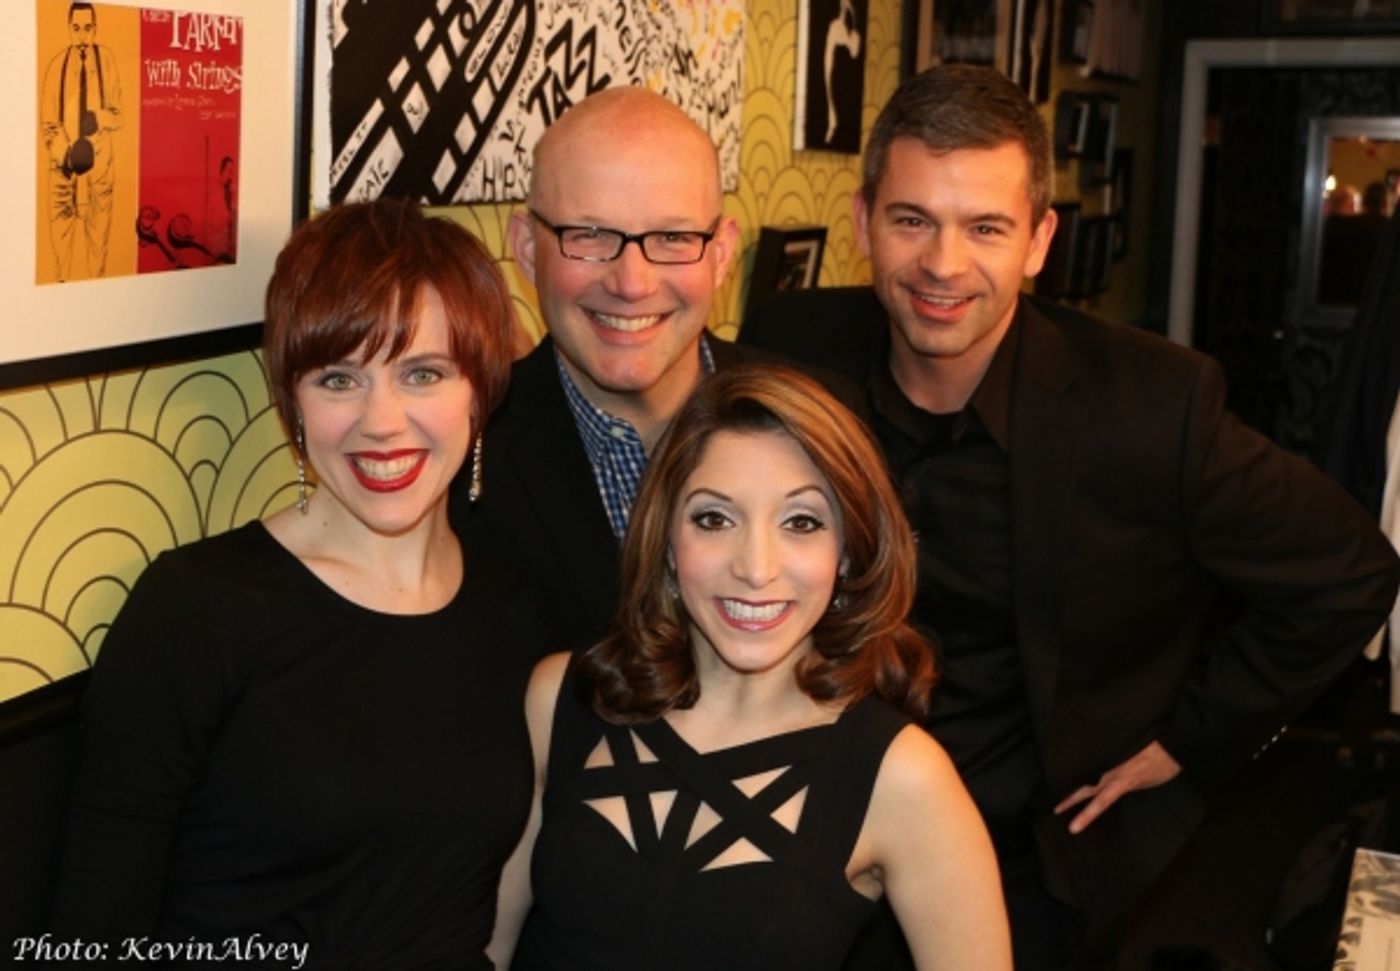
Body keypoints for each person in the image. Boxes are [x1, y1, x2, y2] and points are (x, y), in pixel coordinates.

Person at [740, 64, 1400, 967]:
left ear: (1039, 240)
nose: (943, 264)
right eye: (911, 220)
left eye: (985, 227)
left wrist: (1188, 739)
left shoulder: (1151, 406)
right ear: (862, 223)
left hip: (1031, 857)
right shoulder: (790, 347)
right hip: (811, 827)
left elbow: (1350, 571)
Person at [51, 199, 550, 967]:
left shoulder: (516, 609)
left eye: (422, 373)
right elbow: (91, 933)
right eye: (338, 378)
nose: (382, 421)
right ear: (293, 401)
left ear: (480, 391)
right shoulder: (197, 609)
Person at [490, 365, 1012, 970]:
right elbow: (480, 952)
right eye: (714, 519)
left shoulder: (903, 777)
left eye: (801, 523)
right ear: (667, 539)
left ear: (848, 551)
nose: (756, 568)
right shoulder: (563, 698)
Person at [450, 86, 747, 652]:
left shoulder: (822, 425)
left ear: (721, 253)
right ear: (527, 249)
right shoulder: (459, 462)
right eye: (589, 236)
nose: (631, 283)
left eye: (673, 237)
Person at [40, 1, 123, 281]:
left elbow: (119, 116)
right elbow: (48, 125)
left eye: (88, 28)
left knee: (98, 251)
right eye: (76, 28)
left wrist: (100, 118)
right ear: (68, 29)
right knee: (60, 251)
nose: (82, 35)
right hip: (62, 173)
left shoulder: (107, 60)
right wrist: (66, 155)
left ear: (95, 29)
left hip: (100, 170)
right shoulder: (56, 66)